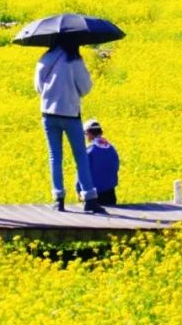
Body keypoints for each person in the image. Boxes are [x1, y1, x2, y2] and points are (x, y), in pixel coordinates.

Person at [34, 40, 106, 214]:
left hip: (48, 114)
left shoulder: (44, 58)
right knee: (80, 156)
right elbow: (86, 87)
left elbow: (37, 87)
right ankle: (89, 198)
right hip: (70, 114)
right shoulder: (74, 59)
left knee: (55, 156)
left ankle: (58, 198)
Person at [82, 119, 119, 206]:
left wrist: (79, 190)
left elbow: (82, 173)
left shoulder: (88, 151)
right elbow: (116, 167)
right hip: (110, 192)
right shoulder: (111, 148)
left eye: (85, 134)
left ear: (89, 133)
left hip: (93, 194)